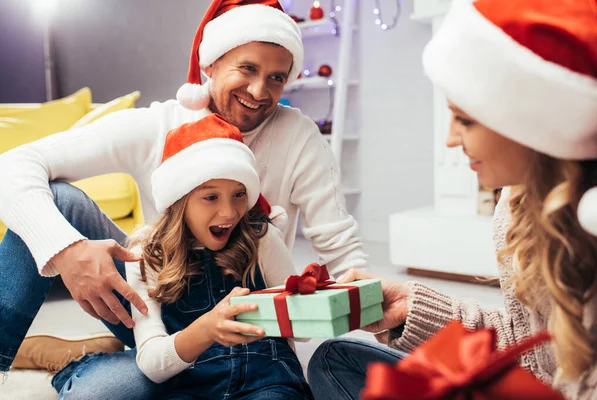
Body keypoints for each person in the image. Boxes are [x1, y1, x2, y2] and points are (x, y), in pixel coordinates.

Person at [0, 0, 367, 373]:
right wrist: (66, 249)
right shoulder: (156, 126)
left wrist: (378, 306)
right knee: (59, 200)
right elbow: (13, 165)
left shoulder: (298, 134)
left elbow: (341, 249)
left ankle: (90, 360)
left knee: (114, 387)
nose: (259, 90)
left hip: (249, 326)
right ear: (210, 64)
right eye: (247, 68)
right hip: (159, 312)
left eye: (277, 77)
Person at [307, 0, 597, 399]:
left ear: (530, 121)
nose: (450, 139)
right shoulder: (517, 205)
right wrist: (411, 306)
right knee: (333, 360)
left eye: (464, 119)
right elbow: (527, 350)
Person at [50, 114, 314, 399]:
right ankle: (82, 363)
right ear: (180, 199)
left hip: (267, 381)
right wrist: (207, 329)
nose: (229, 212)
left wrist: (321, 301)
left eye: (239, 194)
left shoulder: (261, 239)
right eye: (211, 197)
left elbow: (303, 331)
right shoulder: (147, 255)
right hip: (189, 385)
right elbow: (152, 363)